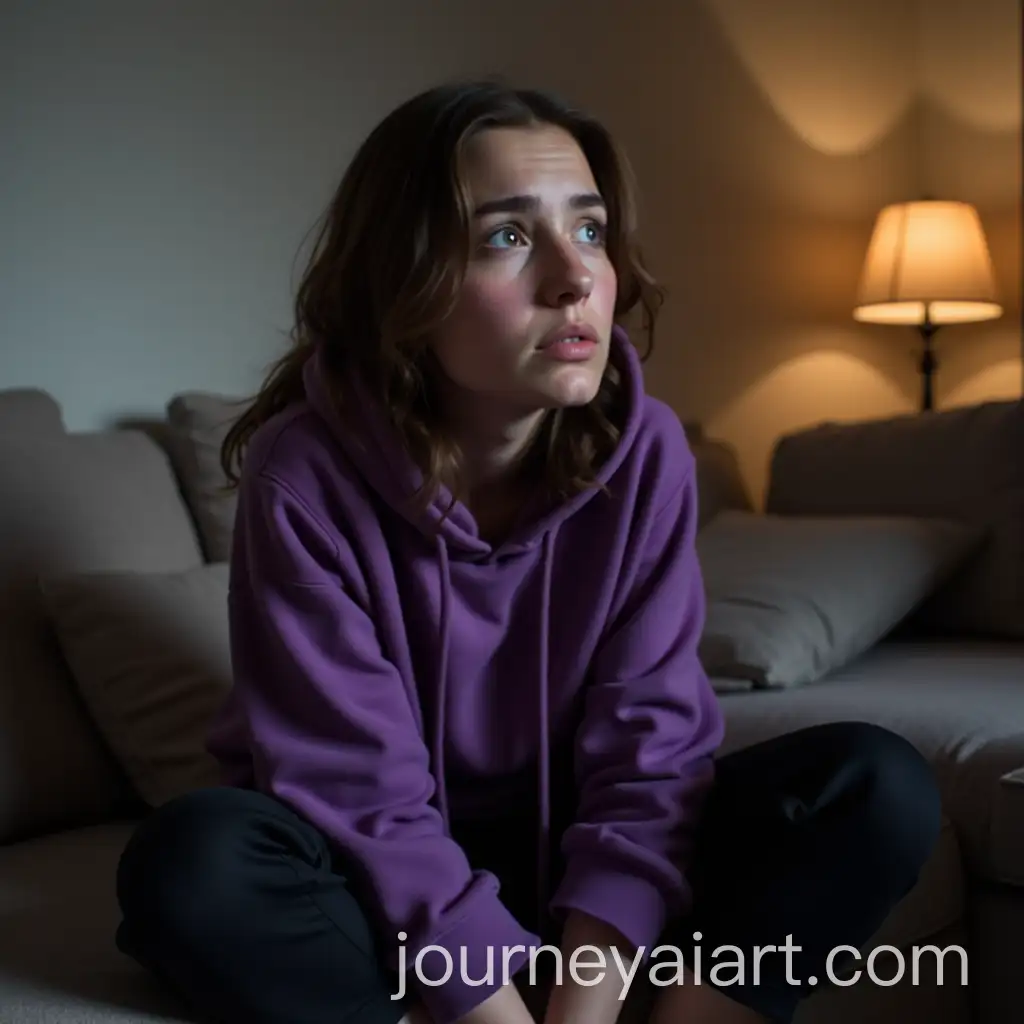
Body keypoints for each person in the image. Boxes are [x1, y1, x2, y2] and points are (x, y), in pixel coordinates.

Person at [114, 80, 942, 1024]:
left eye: (589, 231)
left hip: (570, 844)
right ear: (405, 284)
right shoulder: (301, 472)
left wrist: (583, 1002)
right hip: (366, 864)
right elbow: (359, 791)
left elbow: (652, 758)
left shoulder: (649, 453)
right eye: (508, 236)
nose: (574, 275)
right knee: (192, 863)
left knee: (874, 784)